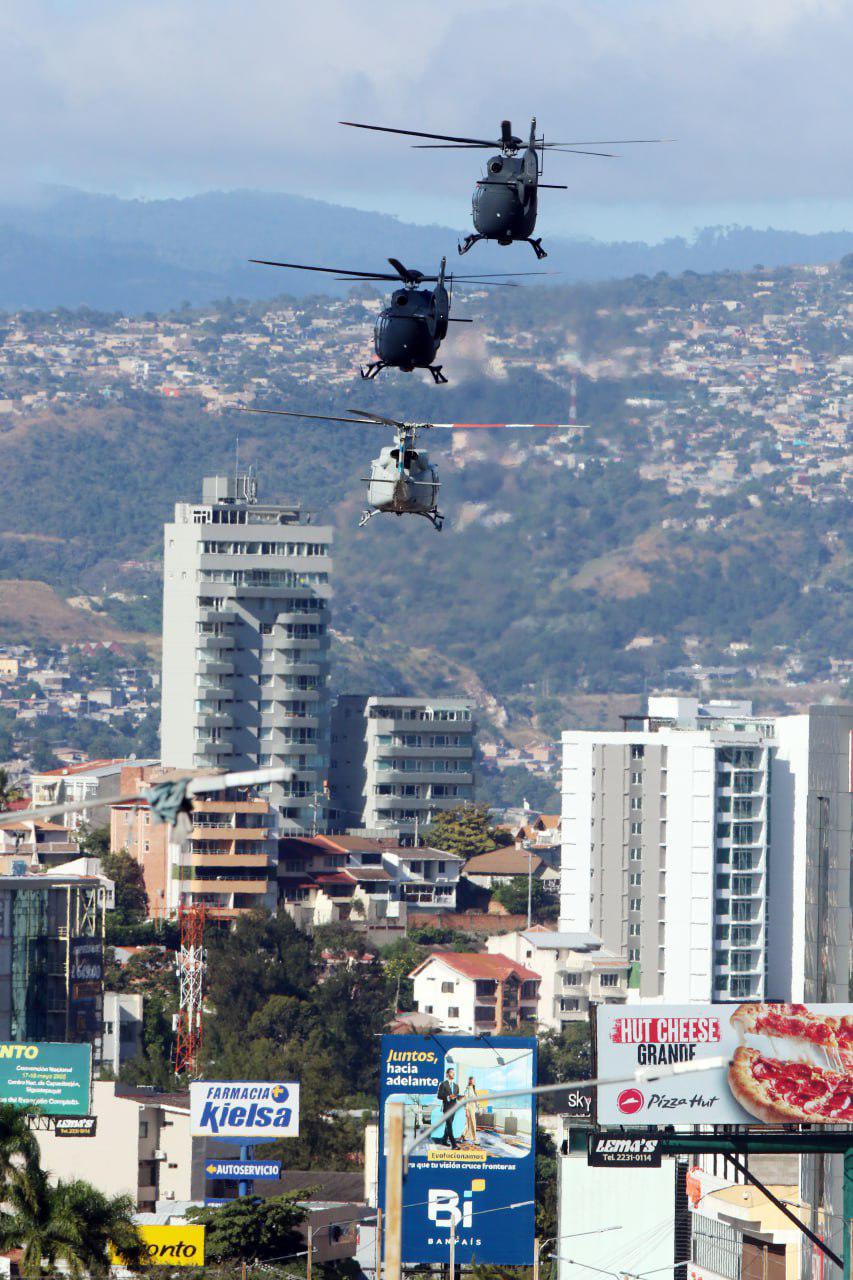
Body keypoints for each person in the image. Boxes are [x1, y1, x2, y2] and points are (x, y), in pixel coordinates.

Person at [437, 1067, 460, 1149]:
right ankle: (454, 1145)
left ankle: (444, 1140)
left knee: (448, 1125)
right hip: (447, 1107)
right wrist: (448, 1097)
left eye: (454, 1072)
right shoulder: (443, 1084)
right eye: (451, 1072)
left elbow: (456, 1096)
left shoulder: (456, 1086)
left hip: (454, 1107)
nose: (453, 1073)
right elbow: (439, 1096)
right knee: (449, 1125)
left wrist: (460, 1098)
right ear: (447, 1074)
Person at [463, 1075, 478, 1145]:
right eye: (471, 1080)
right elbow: (466, 1100)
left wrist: (479, 1107)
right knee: (472, 1123)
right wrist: (466, 1110)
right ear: (469, 1081)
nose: (472, 1081)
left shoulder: (474, 1089)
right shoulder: (467, 1089)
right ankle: (475, 1138)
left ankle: (463, 1135)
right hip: (469, 1107)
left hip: (473, 1108)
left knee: (468, 1123)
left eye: (473, 1080)